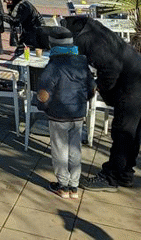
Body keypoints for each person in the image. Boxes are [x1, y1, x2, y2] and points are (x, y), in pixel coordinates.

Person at [63, 16, 141, 192]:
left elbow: (110, 69)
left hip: (133, 82)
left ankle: (110, 177)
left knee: (123, 130)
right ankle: (126, 173)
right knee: (133, 129)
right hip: (140, 73)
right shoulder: (94, 29)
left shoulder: (89, 41)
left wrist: (102, 90)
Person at [36, 27, 95, 199]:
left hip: (58, 114)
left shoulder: (54, 65)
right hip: (77, 113)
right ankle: (74, 186)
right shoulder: (82, 61)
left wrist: (43, 106)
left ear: (52, 44)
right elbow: (91, 87)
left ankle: (62, 185)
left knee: (60, 150)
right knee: (75, 149)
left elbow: (43, 93)